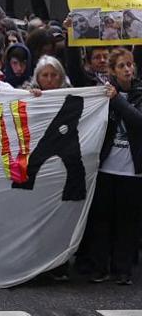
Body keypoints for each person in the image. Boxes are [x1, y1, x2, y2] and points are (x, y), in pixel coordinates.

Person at [84, 48, 142, 285]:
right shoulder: (102, 93)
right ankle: (100, 267)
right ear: (112, 71)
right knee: (101, 221)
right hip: (106, 169)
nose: (128, 69)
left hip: (132, 171)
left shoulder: (137, 93)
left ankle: (123, 269)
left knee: (128, 223)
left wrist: (116, 99)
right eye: (121, 66)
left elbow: (138, 120)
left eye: (130, 64)